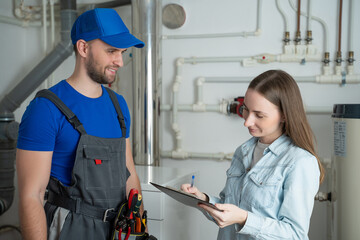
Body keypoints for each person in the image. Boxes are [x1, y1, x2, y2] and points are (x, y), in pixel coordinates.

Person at [16, 8, 145, 240]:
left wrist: (138, 230)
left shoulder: (119, 105)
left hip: (117, 230)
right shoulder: (45, 108)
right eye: (111, 51)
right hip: (70, 229)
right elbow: (31, 196)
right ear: (83, 48)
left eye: (122, 52)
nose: (120, 62)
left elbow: (130, 175)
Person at [182, 69, 325, 240]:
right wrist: (202, 199)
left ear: (284, 116)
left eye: (259, 115)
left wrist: (244, 219)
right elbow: (229, 209)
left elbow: (295, 234)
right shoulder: (242, 152)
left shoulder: (300, 162)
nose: (247, 121)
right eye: (246, 110)